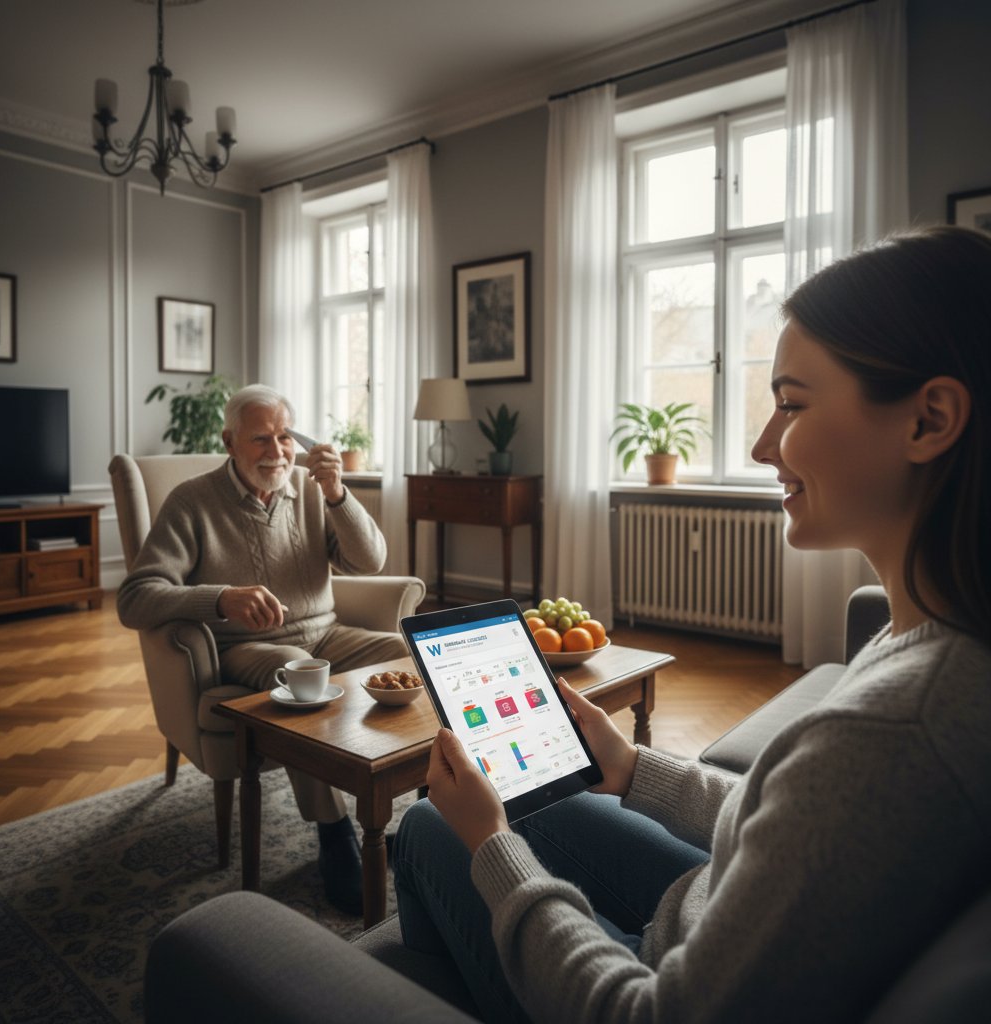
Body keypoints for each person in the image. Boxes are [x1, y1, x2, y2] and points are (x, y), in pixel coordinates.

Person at [393, 226, 991, 1022]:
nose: (760, 443)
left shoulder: (892, 732)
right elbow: (794, 829)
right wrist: (634, 767)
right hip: (701, 915)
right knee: (532, 797)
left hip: (652, 975)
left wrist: (492, 849)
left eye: (791, 403)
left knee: (437, 825)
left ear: (930, 420)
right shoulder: (929, 631)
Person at [118, 383, 407, 915]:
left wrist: (338, 493)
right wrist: (221, 599)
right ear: (229, 441)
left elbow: (370, 561)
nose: (276, 452)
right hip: (247, 648)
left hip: (326, 633)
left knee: (405, 655)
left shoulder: (311, 488)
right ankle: (335, 832)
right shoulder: (192, 502)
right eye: (259, 440)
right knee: (299, 675)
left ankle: (408, 808)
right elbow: (135, 599)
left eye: (283, 438)